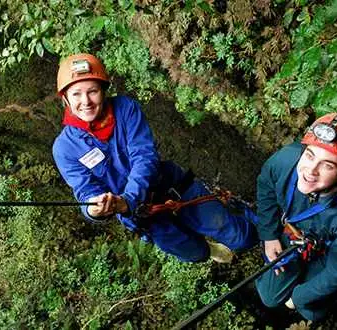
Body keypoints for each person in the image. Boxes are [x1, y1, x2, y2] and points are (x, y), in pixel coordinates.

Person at [52, 53, 257, 263]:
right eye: (76, 94)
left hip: (173, 188)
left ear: (103, 91)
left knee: (240, 237)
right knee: (196, 253)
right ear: (65, 98)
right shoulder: (65, 148)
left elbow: (144, 156)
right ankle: (208, 250)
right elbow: (85, 190)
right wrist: (95, 208)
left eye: (92, 91)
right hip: (144, 217)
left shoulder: (125, 109)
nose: (85, 101)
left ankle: (264, 236)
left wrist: (128, 199)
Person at [254, 113, 337, 321]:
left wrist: (298, 297)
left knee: (312, 310)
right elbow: (266, 188)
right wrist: (269, 235)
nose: (310, 170)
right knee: (269, 297)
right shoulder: (284, 161)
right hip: (294, 236)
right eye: (310, 155)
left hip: (329, 251)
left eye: (327, 165)